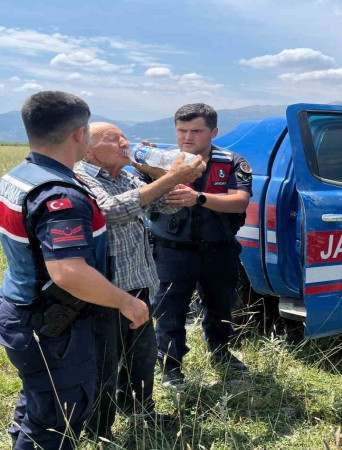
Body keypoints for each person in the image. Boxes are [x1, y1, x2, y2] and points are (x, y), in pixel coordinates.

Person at [0, 91, 150, 450]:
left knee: (39, 405)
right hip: (52, 327)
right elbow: (69, 272)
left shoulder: (20, 176)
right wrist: (127, 302)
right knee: (57, 424)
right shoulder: (62, 194)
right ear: (80, 133)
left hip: (23, 311)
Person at [74, 122, 204, 438]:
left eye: (124, 137)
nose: (124, 143)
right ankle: (98, 430)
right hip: (107, 290)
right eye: (113, 138)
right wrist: (173, 177)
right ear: (89, 149)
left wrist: (166, 175)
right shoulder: (82, 179)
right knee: (105, 362)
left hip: (140, 284)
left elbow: (161, 203)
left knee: (142, 356)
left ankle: (139, 409)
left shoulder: (128, 176)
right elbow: (111, 210)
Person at [149, 103, 253, 389]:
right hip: (172, 248)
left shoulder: (232, 161)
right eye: (182, 130)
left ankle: (220, 352)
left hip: (218, 247)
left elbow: (240, 201)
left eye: (196, 131)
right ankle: (171, 366)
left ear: (213, 132)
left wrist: (199, 197)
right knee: (170, 309)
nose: (187, 137)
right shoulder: (162, 161)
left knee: (221, 304)